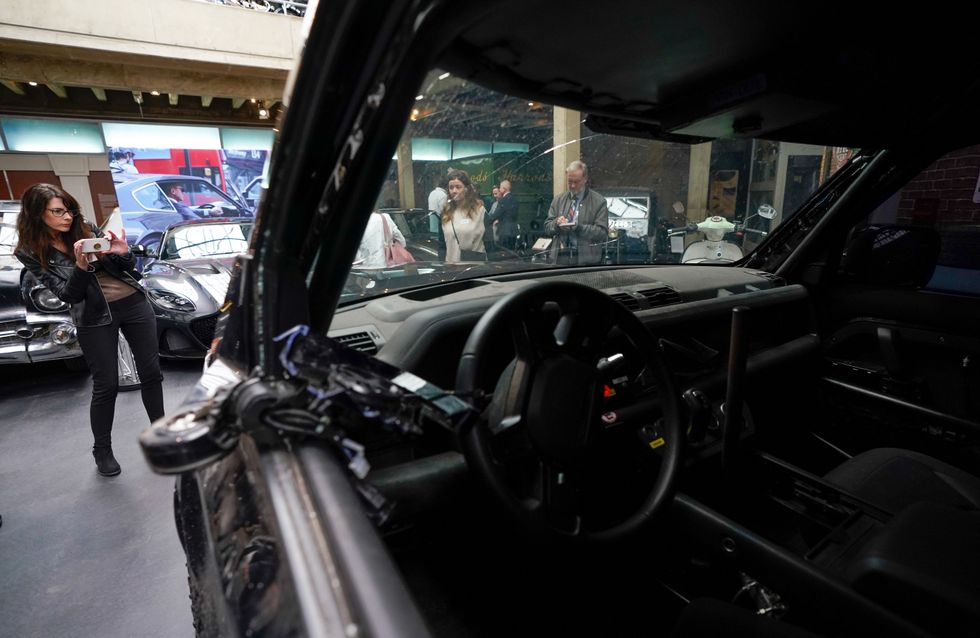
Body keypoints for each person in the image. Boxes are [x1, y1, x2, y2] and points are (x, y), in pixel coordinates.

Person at [15, 183, 164, 477]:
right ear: (37, 213)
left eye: (69, 209)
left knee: (152, 374)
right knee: (106, 385)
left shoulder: (86, 227)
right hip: (94, 316)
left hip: (134, 304)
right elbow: (68, 295)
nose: (67, 217)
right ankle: (102, 450)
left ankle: (162, 437)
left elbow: (125, 269)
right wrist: (81, 266)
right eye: (58, 211)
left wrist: (123, 253)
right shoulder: (30, 251)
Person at [544, 160, 609, 264]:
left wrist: (579, 228)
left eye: (576, 182)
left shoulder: (599, 202)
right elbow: (547, 227)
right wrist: (556, 223)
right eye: (570, 181)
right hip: (560, 258)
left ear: (585, 179)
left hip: (586, 261)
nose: (572, 186)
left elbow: (602, 233)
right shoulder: (558, 200)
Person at [441, 169, 486, 263]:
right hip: (451, 267)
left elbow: (490, 243)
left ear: (466, 189)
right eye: (451, 187)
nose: (454, 191)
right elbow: (442, 246)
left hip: (475, 267)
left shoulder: (479, 210)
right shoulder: (445, 212)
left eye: (458, 187)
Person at [492, 179, 519, 251]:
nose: (500, 189)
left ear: (504, 189)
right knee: (512, 253)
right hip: (514, 231)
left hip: (504, 232)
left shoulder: (502, 200)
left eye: (500, 188)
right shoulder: (515, 200)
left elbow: (495, 215)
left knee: (504, 254)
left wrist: (487, 221)